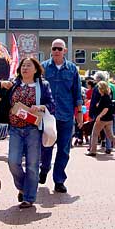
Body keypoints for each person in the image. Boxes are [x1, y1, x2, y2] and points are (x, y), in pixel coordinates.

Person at [3, 58, 55, 208]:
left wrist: (40, 107)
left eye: (28, 66)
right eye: (23, 66)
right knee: (13, 162)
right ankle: (22, 187)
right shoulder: (14, 84)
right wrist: (1, 86)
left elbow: (52, 105)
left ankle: (29, 197)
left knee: (32, 165)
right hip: (15, 129)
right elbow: (1, 95)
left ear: (36, 69)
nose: (25, 68)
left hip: (33, 130)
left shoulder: (43, 85)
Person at [40, 39, 83, 193]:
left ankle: (59, 180)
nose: (57, 51)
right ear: (51, 50)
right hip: (48, 115)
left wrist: (79, 113)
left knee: (64, 150)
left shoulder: (72, 69)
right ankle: (44, 168)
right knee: (46, 146)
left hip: (66, 115)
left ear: (65, 51)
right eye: (54, 48)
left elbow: (77, 93)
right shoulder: (43, 67)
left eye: (59, 48)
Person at [85, 81, 115, 157]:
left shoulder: (104, 97)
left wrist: (99, 116)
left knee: (94, 134)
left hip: (102, 119)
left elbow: (106, 109)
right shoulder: (107, 96)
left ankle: (93, 151)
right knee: (110, 136)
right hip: (109, 119)